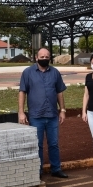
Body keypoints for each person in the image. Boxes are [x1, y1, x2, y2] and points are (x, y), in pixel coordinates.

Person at [18, 48, 68, 179]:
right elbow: (22, 92)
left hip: (52, 115)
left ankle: (56, 169)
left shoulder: (55, 72)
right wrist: (21, 112)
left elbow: (59, 92)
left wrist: (62, 110)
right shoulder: (28, 73)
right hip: (36, 116)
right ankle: (38, 170)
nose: (44, 59)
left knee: (53, 144)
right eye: (42, 56)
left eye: (47, 57)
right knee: (38, 145)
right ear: (36, 57)